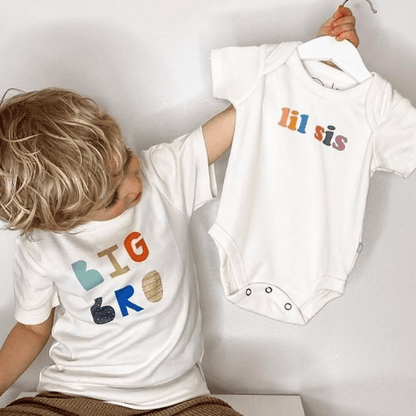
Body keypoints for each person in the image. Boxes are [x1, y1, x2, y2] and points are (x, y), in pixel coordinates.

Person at [0, 6, 358, 416]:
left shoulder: (165, 174)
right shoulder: (42, 245)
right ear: (61, 219)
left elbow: (248, 114)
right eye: (112, 199)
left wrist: (316, 62)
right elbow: (32, 329)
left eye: (127, 160)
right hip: (72, 396)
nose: (134, 186)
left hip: (179, 400)